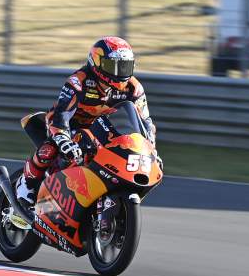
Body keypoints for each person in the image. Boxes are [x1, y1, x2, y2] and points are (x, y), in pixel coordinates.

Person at [15, 36, 156, 206]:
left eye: (124, 66)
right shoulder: (79, 81)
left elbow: (145, 120)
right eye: (113, 66)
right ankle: (27, 185)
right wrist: (62, 137)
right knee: (50, 149)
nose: (119, 72)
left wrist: (149, 145)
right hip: (66, 124)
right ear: (96, 63)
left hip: (100, 127)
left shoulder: (133, 88)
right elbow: (62, 114)